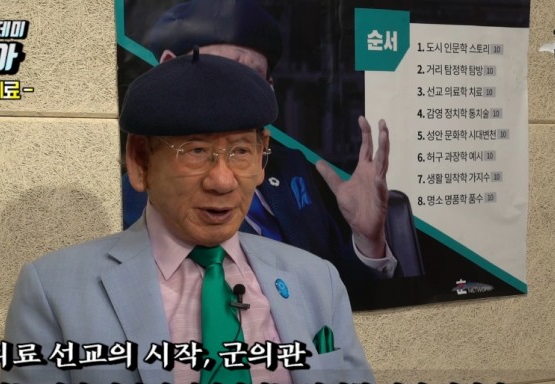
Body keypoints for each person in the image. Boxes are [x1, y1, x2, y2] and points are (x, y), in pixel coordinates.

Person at [0, 51, 415, 384]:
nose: (222, 181)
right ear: (139, 161)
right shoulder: (55, 292)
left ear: (262, 156)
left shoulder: (313, 277)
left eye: (241, 151)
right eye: (195, 151)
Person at [121, 0, 400, 291]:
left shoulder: (290, 165)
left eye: (254, 79)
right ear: (168, 67)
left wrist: (368, 241)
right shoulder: (134, 204)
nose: (238, 96)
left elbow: (334, 289)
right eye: (222, 71)